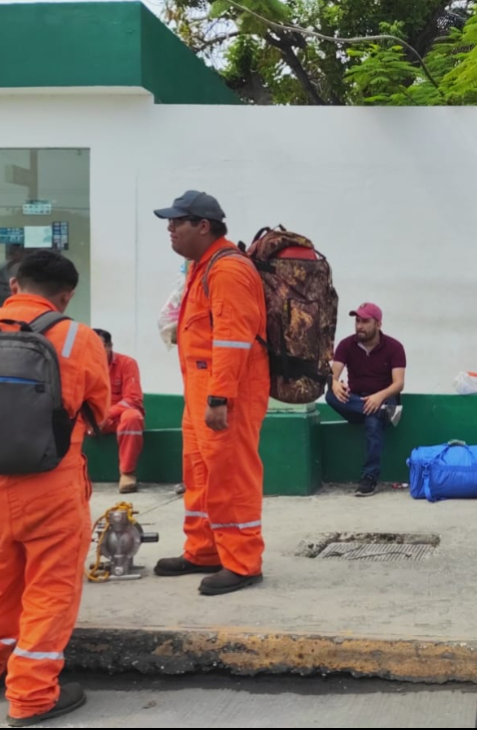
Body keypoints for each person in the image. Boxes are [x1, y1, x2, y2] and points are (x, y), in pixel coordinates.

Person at [0, 249, 109, 725]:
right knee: (50, 588)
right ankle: (33, 694)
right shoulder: (78, 336)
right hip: (50, 484)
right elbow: (98, 411)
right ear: (66, 295)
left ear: (15, 285)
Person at [153, 190, 269, 596]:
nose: (169, 229)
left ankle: (242, 562)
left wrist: (220, 397)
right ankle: (204, 550)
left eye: (176, 222)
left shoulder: (227, 270)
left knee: (230, 475)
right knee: (199, 472)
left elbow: (233, 340)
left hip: (225, 392)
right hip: (201, 388)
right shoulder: (202, 267)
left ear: (203, 226)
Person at [327, 303, 406, 497]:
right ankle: (380, 412)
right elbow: (332, 375)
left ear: (378, 324)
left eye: (365, 321)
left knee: (373, 421)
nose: (359, 326)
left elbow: (399, 384)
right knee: (330, 395)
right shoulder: (346, 345)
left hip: (385, 398)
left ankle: (369, 478)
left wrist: (379, 397)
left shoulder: (394, 347)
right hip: (357, 402)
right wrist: (334, 383)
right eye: (357, 321)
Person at [92, 329, 145, 493]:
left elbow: (133, 399)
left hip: (116, 419)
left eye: (99, 346)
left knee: (133, 417)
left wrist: (105, 416)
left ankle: (128, 473)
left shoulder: (127, 363)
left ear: (110, 346)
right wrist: (91, 420)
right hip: (92, 419)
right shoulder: (83, 365)